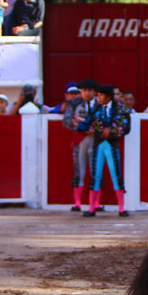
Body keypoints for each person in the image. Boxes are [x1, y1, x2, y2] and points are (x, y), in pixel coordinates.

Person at [75, 84, 133, 217]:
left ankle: (121, 208)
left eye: (100, 95)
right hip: (98, 145)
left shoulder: (120, 109)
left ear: (108, 97)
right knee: (95, 175)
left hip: (111, 145)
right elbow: (87, 123)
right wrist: (78, 125)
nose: (98, 97)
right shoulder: (97, 108)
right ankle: (91, 208)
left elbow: (126, 127)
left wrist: (112, 132)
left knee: (116, 174)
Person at [63, 78, 97, 212]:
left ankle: (96, 203)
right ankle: (77, 203)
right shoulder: (74, 103)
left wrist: (95, 128)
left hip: (96, 140)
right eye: (84, 90)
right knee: (79, 170)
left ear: (95, 92)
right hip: (79, 139)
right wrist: (81, 128)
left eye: (90, 90)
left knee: (96, 171)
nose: (87, 93)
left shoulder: (100, 104)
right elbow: (67, 121)